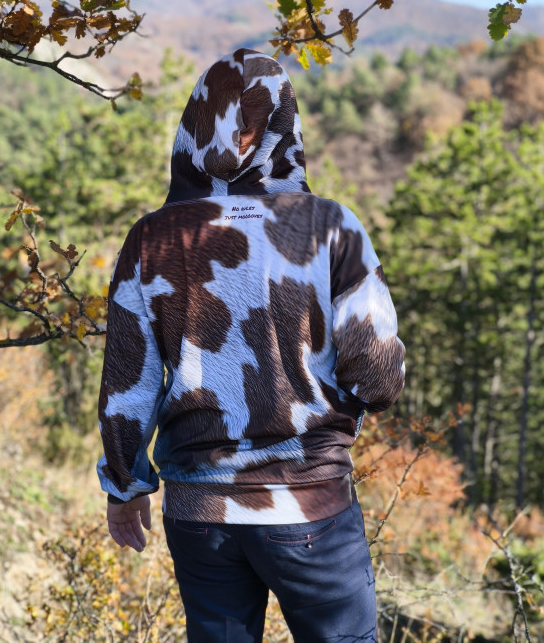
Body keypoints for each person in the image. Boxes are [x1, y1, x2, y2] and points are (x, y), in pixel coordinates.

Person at [97, 48, 405, 643]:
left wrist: (125, 487)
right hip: (310, 501)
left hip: (199, 512)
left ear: (195, 125)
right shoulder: (331, 227)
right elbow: (377, 375)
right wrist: (340, 406)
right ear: (283, 127)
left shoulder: (152, 238)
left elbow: (128, 386)